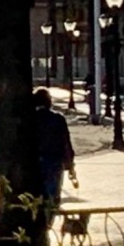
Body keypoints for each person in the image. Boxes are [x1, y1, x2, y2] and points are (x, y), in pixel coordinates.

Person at [34, 88, 75, 219]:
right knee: (53, 194)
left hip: (34, 162)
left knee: (37, 195)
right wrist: (70, 165)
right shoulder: (58, 119)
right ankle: (48, 221)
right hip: (54, 161)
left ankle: (39, 221)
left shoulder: (30, 119)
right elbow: (66, 143)